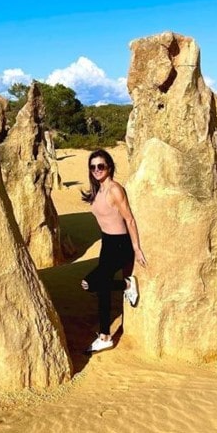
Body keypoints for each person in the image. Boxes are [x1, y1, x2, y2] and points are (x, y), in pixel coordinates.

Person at [81, 149, 147, 353]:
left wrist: (136, 248)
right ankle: (105, 336)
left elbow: (129, 219)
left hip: (121, 245)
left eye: (101, 166)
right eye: (93, 167)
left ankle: (127, 284)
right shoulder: (97, 190)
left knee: (90, 282)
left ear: (109, 167)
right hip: (107, 244)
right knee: (102, 291)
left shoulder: (114, 190)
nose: (97, 170)